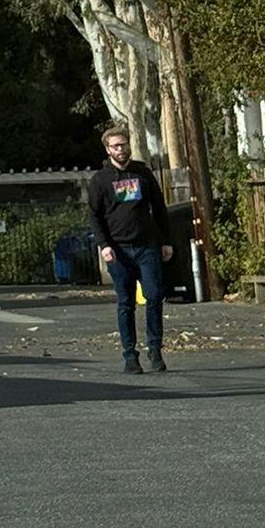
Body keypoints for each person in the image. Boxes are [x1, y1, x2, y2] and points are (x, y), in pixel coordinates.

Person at [87, 123, 173, 373]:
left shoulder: (143, 174)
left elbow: (159, 208)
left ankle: (155, 350)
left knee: (155, 295)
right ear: (107, 149)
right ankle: (129, 355)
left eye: (124, 145)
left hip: (146, 246)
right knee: (126, 303)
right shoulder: (100, 180)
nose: (121, 150)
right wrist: (104, 245)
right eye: (115, 146)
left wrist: (165, 240)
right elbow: (94, 215)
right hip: (118, 249)